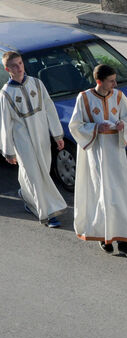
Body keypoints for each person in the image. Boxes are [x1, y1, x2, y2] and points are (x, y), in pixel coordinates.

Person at [69, 63, 127, 258]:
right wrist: (94, 129)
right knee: (102, 194)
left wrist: (122, 125)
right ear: (99, 81)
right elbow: (75, 126)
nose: (115, 83)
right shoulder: (84, 98)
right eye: (111, 80)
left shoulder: (118, 96)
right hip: (97, 153)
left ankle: (124, 242)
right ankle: (104, 237)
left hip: (116, 151)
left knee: (121, 195)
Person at [1, 50, 67, 228]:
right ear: (8, 69)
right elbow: (5, 123)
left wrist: (57, 134)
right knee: (35, 176)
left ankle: (28, 197)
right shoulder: (6, 94)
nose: (19, 68)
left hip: (42, 136)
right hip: (22, 140)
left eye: (20, 63)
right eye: (14, 66)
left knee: (43, 171)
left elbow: (50, 109)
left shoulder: (37, 84)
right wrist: (8, 150)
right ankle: (48, 214)